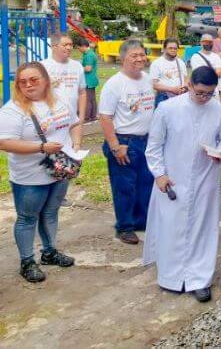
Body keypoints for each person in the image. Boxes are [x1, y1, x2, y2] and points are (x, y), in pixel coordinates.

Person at [143, 66, 221, 303]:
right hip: (173, 179)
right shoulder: (168, 108)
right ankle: (171, 277)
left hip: (206, 178)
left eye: (209, 94)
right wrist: (159, 174)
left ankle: (199, 279)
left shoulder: (220, 111)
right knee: (172, 227)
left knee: (203, 228)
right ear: (189, 85)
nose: (203, 98)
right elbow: (153, 146)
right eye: (199, 93)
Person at [0, 62, 80, 282]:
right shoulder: (12, 110)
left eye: (33, 79)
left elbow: (74, 123)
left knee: (51, 212)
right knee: (27, 218)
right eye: (22, 82)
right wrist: (40, 148)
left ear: (46, 80)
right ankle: (27, 261)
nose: (28, 85)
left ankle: (49, 252)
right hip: (29, 177)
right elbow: (4, 143)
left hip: (59, 170)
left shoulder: (60, 99)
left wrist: (75, 145)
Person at [99, 39, 156, 245]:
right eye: (134, 55)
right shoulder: (114, 84)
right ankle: (124, 227)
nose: (140, 58)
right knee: (125, 187)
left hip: (146, 141)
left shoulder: (148, 79)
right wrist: (115, 146)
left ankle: (141, 222)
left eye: (142, 54)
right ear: (123, 58)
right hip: (124, 143)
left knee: (145, 183)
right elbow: (105, 117)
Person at [42, 32, 86, 121]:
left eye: (71, 45)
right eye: (65, 45)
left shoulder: (77, 66)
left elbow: (82, 93)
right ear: (54, 47)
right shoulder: (42, 67)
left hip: (72, 121)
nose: (69, 48)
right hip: (49, 121)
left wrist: (81, 118)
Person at [150, 38, 188, 107]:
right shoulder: (156, 63)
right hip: (163, 98)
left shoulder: (181, 63)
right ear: (164, 49)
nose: (173, 50)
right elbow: (154, 84)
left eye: (175, 48)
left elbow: (185, 80)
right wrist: (172, 89)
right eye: (170, 48)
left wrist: (185, 87)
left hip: (179, 98)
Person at [78, 38, 99, 123]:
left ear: (83, 46)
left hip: (88, 80)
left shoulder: (89, 55)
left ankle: (87, 117)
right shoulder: (89, 53)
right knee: (92, 99)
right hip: (91, 79)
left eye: (78, 48)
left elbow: (88, 69)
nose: (78, 50)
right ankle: (93, 116)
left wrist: (78, 68)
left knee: (87, 99)